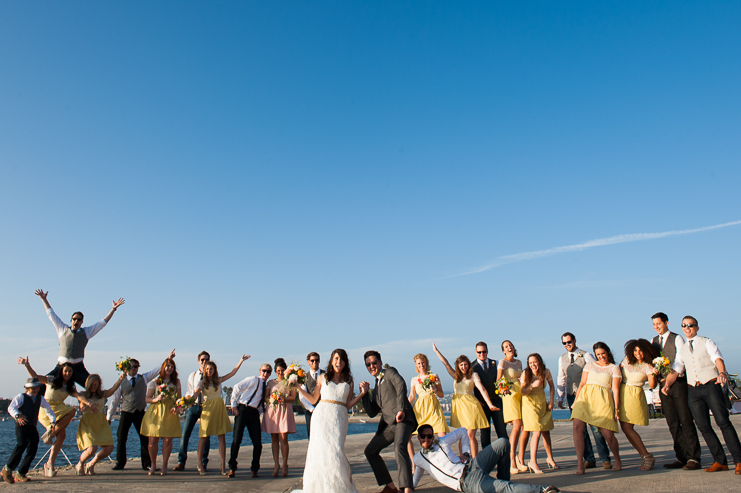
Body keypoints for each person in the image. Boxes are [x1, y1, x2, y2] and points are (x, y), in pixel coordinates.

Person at [663, 316, 741, 474]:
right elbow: (677, 369)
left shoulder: (707, 342)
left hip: (711, 386)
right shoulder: (683, 348)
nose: (687, 328)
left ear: (697, 328)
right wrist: (666, 385)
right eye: (684, 326)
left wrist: (722, 373)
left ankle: (739, 460)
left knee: (723, 422)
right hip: (693, 389)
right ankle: (720, 461)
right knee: (703, 426)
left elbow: (717, 359)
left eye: (690, 325)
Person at [295, 348, 367, 492]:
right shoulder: (323, 378)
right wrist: (298, 388)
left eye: (341, 359)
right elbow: (314, 399)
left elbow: (347, 404)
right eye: (335, 359)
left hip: (339, 419)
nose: (338, 362)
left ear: (345, 362)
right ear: (331, 361)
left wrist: (362, 394)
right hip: (321, 418)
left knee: (336, 452)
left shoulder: (349, 381)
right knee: (321, 452)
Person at [411, 424, 560, 493]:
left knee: (503, 443)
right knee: (503, 488)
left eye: (429, 436)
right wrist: (407, 488)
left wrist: (466, 453)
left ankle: (504, 478)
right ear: (418, 437)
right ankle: (543, 490)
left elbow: (463, 431)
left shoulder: (441, 441)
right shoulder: (419, 458)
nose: (426, 439)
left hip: (473, 465)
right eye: (423, 436)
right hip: (468, 482)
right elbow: (415, 478)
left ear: (433, 436)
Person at [35, 289, 125, 387]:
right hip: (61, 366)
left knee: (93, 386)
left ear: (82, 322)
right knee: (40, 385)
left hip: (78, 367)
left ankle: (96, 401)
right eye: (74, 319)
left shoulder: (86, 332)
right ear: (71, 320)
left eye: (79, 319)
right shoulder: (62, 329)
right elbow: (51, 314)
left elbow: (102, 323)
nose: (76, 321)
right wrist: (44, 299)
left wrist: (113, 309)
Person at [17, 356, 90, 477]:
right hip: (47, 409)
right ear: (61, 371)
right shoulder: (52, 380)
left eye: (70, 371)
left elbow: (79, 396)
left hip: (59, 409)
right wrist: (27, 365)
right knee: (71, 413)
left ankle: (49, 464)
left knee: (62, 435)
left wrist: (89, 403)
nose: (67, 373)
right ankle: (50, 434)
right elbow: (36, 377)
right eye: (65, 371)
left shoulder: (70, 387)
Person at [107, 350, 175, 471]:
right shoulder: (121, 381)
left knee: (144, 438)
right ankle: (120, 463)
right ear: (127, 368)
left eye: (137, 367)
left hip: (140, 412)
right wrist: (109, 416)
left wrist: (168, 358)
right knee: (121, 438)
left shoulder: (143, 378)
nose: (135, 369)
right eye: (132, 367)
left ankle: (147, 463)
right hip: (126, 412)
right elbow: (115, 400)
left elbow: (156, 370)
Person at [650, 311, 702, 470]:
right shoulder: (653, 341)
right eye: (653, 325)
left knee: (685, 420)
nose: (656, 327)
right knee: (672, 422)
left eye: (658, 324)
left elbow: (681, 361)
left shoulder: (677, 338)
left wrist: (671, 377)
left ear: (666, 322)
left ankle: (693, 457)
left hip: (678, 383)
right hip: (662, 386)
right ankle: (681, 456)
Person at [360, 350, 417, 493]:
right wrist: (364, 394)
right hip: (389, 425)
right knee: (370, 451)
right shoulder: (376, 386)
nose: (372, 366)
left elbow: (400, 384)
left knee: (399, 447)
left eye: (374, 363)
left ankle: (407, 488)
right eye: (368, 364)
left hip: (403, 420)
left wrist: (401, 409)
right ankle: (390, 486)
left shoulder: (389, 372)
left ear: (380, 362)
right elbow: (372, 412)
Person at [433, 342, 498, 458]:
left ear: (469, 365)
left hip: (471, 406)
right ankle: (464, 460)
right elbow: (446, 364)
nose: (464, 367)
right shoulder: (456, 376)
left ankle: (475, 460)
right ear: (458, 366)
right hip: (460, 409)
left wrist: (489, 404)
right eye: (461, 365)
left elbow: (482, 389)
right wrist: (437, 351)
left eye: (466, 365)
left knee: (470, 435)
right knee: (463, 436)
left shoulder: (474, 375)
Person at [556, 332, 611, 469]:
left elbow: (596, 369)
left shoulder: (586, 355)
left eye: (569, 342)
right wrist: (560, 397)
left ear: (574, 340)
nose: (567, 345)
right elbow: (561, 377)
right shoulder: (561, 358)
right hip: (572, 395)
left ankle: (605, 458)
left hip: (587, 395)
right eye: (564, 343)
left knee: (595, 427)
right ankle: (589, 459)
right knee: (581, 430)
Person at [190, 355, 250, 475]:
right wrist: (187, 402)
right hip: (207, 410)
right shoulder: (202, 383)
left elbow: (232, 373)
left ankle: (222, 465)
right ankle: (200, 464)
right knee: (203, 437)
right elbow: (196, 394)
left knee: (221, 436)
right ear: (204, 370)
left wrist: (241, 361)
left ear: (214, 370)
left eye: (211, 369)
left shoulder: (218, 380)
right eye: (207, 369)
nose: (209, 371)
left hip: (219, 409)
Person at [571, 342, 622, 475]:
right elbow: (582, 383)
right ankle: (580, 464)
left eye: (603, 353)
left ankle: (617, 459)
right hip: (585, 398)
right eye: (598, 354)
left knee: (607, 434)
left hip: (602, 400)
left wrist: (617, 409)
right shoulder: (590, 365)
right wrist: (575, 402)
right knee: (577, 427)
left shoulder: (614, 368)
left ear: (608, 352)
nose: (601, 356)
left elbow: (615, 390)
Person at [2, 378, 56, 484]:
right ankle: (8, 469)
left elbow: (48, 409)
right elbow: (11, 408)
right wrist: (17, 416)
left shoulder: (40, 398)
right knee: (21, 444)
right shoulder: (21, 397)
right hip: (21, 426)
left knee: (33, 447)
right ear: (27, 388)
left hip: (32, 426)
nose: (35, 390)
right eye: (32, 388)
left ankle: (21, 472)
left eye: (36, 388)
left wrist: (53, 420)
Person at [618, 339, 659, 471]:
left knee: (628, 428)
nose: (638, 353)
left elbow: (652, 385)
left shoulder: (648, 366)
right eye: (635, 350)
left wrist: (654, 374)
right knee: (625, 429)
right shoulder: (626, 360)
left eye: (640, 350)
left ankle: (646, 456)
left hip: (634, 395)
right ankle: (644, 455)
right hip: (622, 393)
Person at [75, 373, 126, 475]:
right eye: (92, 384)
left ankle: (91, 464)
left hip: (101, 423)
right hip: (88, 424)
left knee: (109, 448)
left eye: (96, 385)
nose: (93, 387)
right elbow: (81, 402)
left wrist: (120, 379)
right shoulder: (83, 394)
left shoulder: (102, 394)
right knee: (92, 449)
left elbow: (113, 389)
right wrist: (85, 407)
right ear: (87, 384)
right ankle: (80, 463)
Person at [228, 363, 273, 478]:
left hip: (254, 414)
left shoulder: (265, 385)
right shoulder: (253, 380)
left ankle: (254, 469)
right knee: (236, 440)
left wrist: (261, 411)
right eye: (264, 371)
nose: (265, 373)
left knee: (258, 443)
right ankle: (232, 467)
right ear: (259, 371)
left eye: (268, 372)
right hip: (243, 409)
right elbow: (237, 387)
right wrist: (234, 405)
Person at [140, 357, 182, 475]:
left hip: (169, 413)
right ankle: (153, 464)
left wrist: (178, 406)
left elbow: (179, 399)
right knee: (152, 440)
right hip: (155, 412)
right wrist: (156, 399)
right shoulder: (155, 382)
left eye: (172, 366)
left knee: (167, 441)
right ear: (163, 367)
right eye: (168, 366)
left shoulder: (176, 382)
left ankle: (164, 465)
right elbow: (147, 398)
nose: (170, 368)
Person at [520, 353, 558, 474]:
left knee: (546, 431)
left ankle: (550, 458)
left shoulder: (546, 372)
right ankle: (533, 461)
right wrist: (531, 386)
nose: (533, 365)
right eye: (530, 363)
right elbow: (522, 392)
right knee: (536, 432)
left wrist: (551, 401)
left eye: (535, 362)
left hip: (542, 402)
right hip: (530, 404)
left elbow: (552, 387)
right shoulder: (526, 373)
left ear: (539, 362)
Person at [174, 351, 212, 472]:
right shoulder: (193, 375)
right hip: (193, 407)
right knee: (185, 434)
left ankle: (204, 461)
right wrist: (185, 403)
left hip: (206, 407)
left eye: (206, 359)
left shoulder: (212, 375)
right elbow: (189, 391)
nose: (204, 362)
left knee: (206, 436)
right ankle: (181, 461)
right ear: (198, 361)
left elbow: (218, 391)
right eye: (202, 360)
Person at [407, 353, 448, 461]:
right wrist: (405, 408)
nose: (421, 365)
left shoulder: (434, 376)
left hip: (433, 406)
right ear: (416, 365)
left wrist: (435, 390)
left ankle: (444, 460)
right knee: (408, 436)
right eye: (419, 363)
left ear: (426, 363)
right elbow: (411, 396)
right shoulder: (414, 379)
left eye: (423, 362)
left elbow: (441, 394)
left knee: (442, 435)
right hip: (420, 409)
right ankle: (413, 462)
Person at [263, 358, 298, 478]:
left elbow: (293, 397)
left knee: (283, 438)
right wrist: (272, 399)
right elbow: (266, 397)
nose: (280, 373)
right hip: (273, 411)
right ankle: (276, 464)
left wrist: (281, 399)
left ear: (286, 371)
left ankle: (284, 463)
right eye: (278, 370)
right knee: (274, 438)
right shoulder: (271, 383)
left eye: (282, 370)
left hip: (284, 410)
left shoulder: (290, 382)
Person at [496, 340, 525, 474]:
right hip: (510, 394)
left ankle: (520, 458)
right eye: (506, 346)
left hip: (521, 393)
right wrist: (504, 391)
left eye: (511, 345)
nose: (509, 347)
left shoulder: (519, 362)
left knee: (525, 425)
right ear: (503, 350)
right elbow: (498, 380)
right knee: (517, 424)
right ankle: (511, 459)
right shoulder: (502, 363)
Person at [472, 342, 508, 448]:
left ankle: (505, 457)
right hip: (482, 405)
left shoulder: (495, 363)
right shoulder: (471, 367)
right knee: (485, 433)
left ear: (487, 351)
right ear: (476, 352)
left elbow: (502, 379)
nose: (482, 354)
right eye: (479, 352)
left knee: (502, 431)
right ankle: (487, 458)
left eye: (484, 352)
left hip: (497, 401)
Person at [304, 352, 323, 439]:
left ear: (319, 361)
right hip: (310, 410)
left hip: (324, 408)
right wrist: (311, 408)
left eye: (316, 360)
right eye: (312, 360)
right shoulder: (304, 377)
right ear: (308, 362)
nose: (314, 362)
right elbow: (302, 396)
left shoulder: (326, 374)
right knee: (311, 435)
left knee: (324, 434)